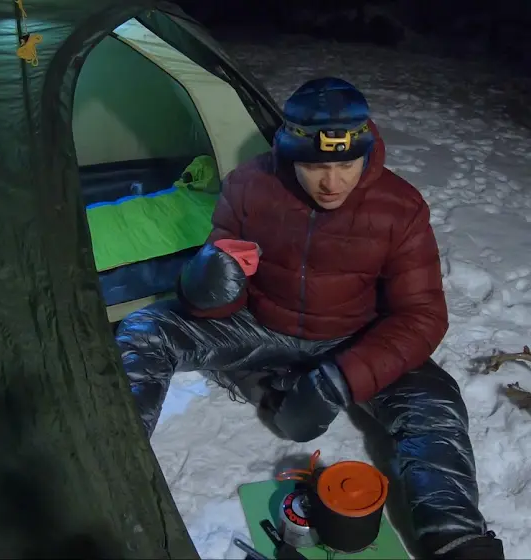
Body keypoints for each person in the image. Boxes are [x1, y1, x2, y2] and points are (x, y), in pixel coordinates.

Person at [116, 77, 504, 559]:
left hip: (351, 337)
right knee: (145, 331)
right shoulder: (248, 186)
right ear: (289, 154)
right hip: (261, 324)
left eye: (346, 165)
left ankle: (457, 541)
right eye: (316, 166)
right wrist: (208, 280)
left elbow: (422, 315)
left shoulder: (399, 207)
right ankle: (111, 470)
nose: (332, 182)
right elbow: (213, 297)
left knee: (434, 400)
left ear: (365, 153)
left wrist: (339, 380)